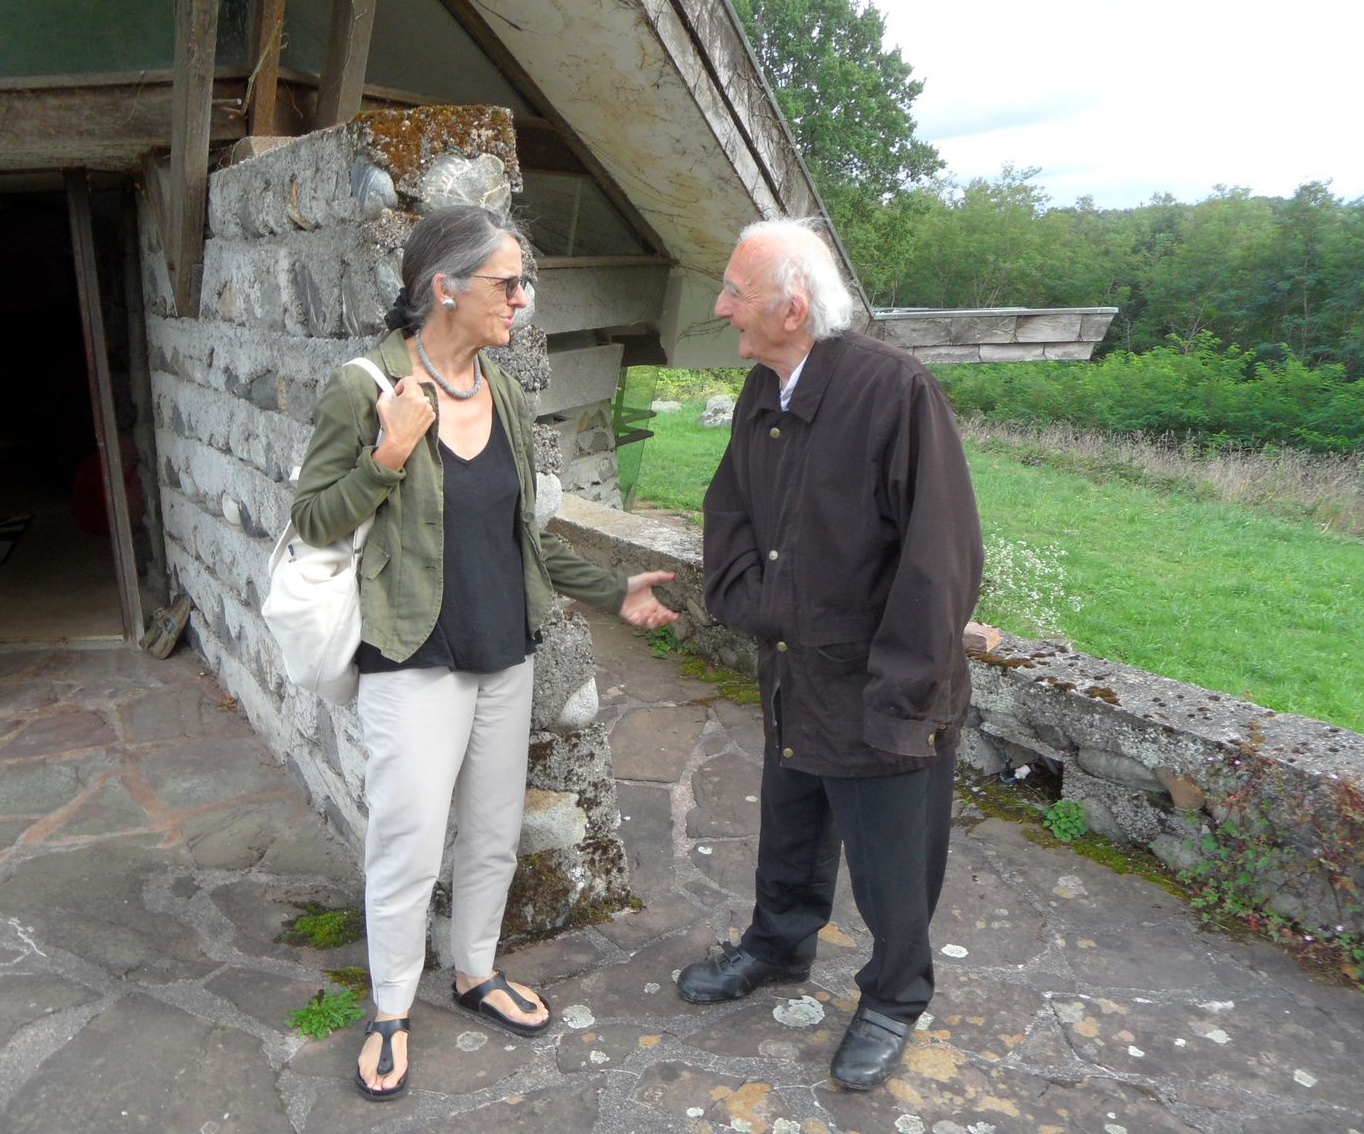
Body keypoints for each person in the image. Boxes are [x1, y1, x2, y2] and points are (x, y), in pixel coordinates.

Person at [290, 205, 678, 1101]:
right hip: (411, 651)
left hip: (506, 646)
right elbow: (312, 521)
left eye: (522, 284)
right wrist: (388, 455)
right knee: (407, 838)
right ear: (446, 287)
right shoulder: (365, 388)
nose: (521, 299)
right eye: (508, 283)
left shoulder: (500, 388)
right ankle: (390, 1007)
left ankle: (474, 971)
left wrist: (610, 591)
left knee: (494, 832)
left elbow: (523, 530)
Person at [675, 218, 982, 1091]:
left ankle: (893, 997)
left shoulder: (895, 393)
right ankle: (778, 945)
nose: (720, 305)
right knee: (792, 826)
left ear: (791, 308)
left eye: (735, 291)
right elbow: (729, 503)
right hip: (795, 670)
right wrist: (749, 600)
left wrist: (904, 695)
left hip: (883, 685)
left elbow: (941, 557)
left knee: (893, 862)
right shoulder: (764, 391)